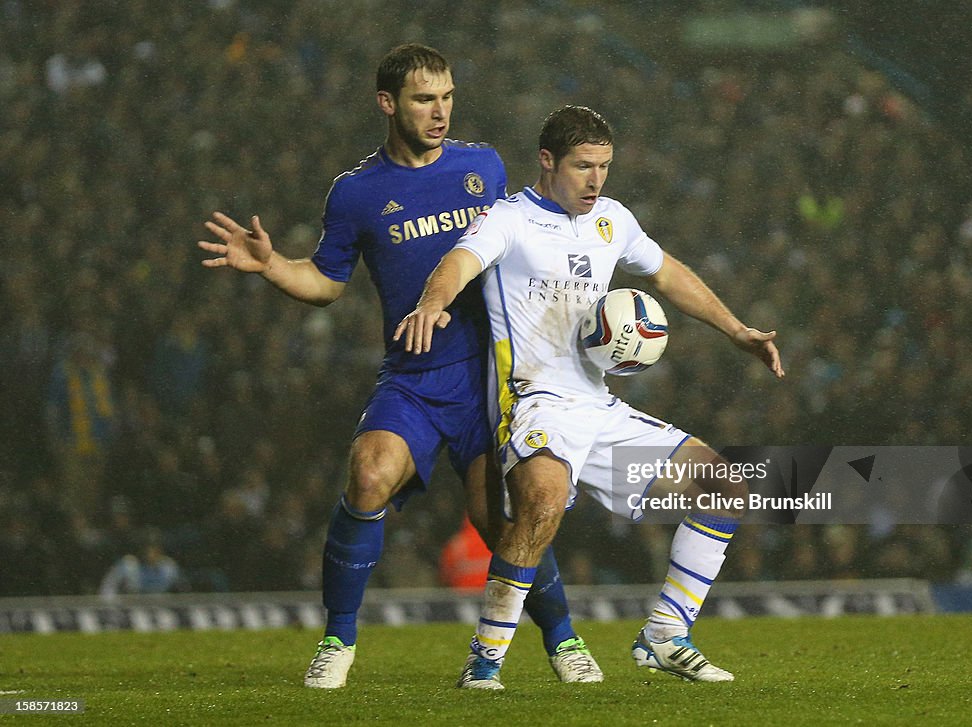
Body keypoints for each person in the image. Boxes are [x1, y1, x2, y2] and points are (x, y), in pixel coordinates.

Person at [197, 45, 601, 688]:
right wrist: (272, 264)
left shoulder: (483, 166)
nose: (439, 112)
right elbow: (327, 282)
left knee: (501, 520)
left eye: (446, 97)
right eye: (423, 99)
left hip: (488, 378)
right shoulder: (357, 194)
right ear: (387, 104)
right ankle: (337, 640)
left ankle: (564, 640)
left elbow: (531, 242)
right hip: (412, 378)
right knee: (367, 474)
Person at [396, 105, 785, 689]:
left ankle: (664, 635)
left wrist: (735, 330)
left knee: (724, 484)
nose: (596, 180)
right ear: (548, 161)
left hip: (598, 409)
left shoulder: (613, 220)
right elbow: (458, 262)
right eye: (583, 167)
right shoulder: (509, 219)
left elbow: (667, 273)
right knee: (544, 502)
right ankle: (485, 660)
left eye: (604, 166)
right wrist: (434, 302)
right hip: (533, 403)